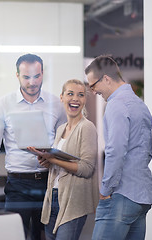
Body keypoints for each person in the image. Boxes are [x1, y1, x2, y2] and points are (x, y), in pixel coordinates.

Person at [0, 53, 67, 240]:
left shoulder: (57, 105)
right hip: (18, 184)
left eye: (36, 76)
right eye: (26, 77)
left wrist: (53, 159)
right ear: (17, 75)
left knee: (45, 235)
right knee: (15, 234)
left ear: (43, 74)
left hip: (49, 182)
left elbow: (65, 144)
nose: (32, 82)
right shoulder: (3, 105)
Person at [85, 55, 152, 240]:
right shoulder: (140, 105)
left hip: (121, 195)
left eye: (93, 86)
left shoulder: (116, 105)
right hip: (141, 195)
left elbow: (115, 152)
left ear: (106, 78)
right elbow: (146, 152)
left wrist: (105, 190)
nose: (93, 92)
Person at [27, 79, 99, 240]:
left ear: (85, 100)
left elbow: (87, 168)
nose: (75, 98)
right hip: (53, 197)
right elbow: (58, 163)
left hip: (73, 200)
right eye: (70, 94)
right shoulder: (61, 129)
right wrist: (46, 161)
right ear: (62, 97)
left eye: (80, 95)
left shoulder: (87, 127)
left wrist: (52, 159)